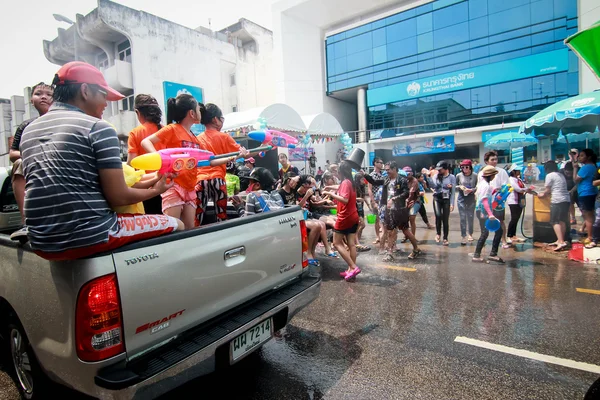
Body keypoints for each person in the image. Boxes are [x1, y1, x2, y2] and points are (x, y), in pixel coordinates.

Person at [20, 61, 183, 260]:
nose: (106, 103)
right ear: (85, 90)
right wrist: (158, 190)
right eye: (103, 96)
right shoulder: (97, 127)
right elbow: (119, 197)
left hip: (40, 242)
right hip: (91, 235)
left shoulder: (28, 131)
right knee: (177, 224)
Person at [142, 95, 221, 230]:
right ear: (191, 113)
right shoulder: (172, 128)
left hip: (190, 188)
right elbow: (145, 142)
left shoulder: (194, 137)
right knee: (172, 229)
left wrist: (232, 157)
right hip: (173, 185)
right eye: (198, 109)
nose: (200, 112)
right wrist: (160, 159)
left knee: (189, 229)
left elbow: (208, 161)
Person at [195, 103, 253, 226]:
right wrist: (262, 148)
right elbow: (245, 154)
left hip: (200, 180)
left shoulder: (197, 138)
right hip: (218, 180)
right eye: (222, 119)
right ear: (215, 119)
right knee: (221, 215)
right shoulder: (224, 137)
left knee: (197, 216)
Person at [9, 82, 53, 241]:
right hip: (32, 166)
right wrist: (31, 154)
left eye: (49, 95)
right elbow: (12, 153)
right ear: (31, 100)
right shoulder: (26, 126)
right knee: (18, 164)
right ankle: (26, 222)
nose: (44, 97)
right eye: (39, 93)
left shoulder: (62, 121)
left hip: (58, 165)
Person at [365, 162, 422, 261]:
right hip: (389, 210)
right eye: (386, 170)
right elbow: (374, 181)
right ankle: (390, 253)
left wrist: (394, 199)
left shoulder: (402, 180)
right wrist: (364, 174)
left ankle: (416, 249)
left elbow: (406, 193)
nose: (387, 172)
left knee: (405, 230)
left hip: (400, 210)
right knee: (390, 231)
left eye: (388, 170)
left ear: (395, 169)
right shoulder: (386, 179)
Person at [322, 160, 362, 281]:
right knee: (351, 244)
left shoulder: (345, 182)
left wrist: (330, 194)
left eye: (337, 172)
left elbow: (344, 199)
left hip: (345, 217)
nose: (336, 174)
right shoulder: (351, 182)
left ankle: (353, 267)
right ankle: (350, 270)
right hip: (353, 216)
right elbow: (340, 187)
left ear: (341, 172)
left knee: (336, 243)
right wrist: (330, 187)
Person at [126, 94, 165, 214]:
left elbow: (130, 164)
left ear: (138, 112)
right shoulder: (165, 130)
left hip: (147, 188)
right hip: (167, 184)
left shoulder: (135, 133)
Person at [478, 151, 510, 248]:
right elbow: (480, 189)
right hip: (486, 202)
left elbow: (506, 186)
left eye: (496, 159)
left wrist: (500, 191)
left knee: (500, 221)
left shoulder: (502, 171)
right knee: (484, 224)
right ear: (486, 161)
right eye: (492, 159)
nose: (495, 161)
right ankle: (482, 244)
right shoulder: (481, 173)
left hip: (498, 200)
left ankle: (503, 240)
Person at [472, 166, 503, 263]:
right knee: (490, 232)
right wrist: (490, 214)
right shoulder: (485, 185)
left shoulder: (483, 184)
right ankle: (479, 255)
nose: (494, 177)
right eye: (494, 175)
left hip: (481, 210)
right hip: (483, 211)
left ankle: (488, 254)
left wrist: (494, 191)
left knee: (489, 232)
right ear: (490, 176)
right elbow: (484, 199)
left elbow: (484, 195)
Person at [538, 160, 570, 251]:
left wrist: (542, 194)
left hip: (557, 200)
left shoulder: (549, 175)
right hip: (566, 200)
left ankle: (561, 242)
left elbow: (547, 190)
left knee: (554, 221)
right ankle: (560, 239)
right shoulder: (560, 175)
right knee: (562, 220)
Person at [574, 149, 599, 247]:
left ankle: (590, 237)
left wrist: (575, 168)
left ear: (588, 157)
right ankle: (592, 234)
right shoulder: (594, 167)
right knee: (591, 215)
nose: (580, 158)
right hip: (593, 192)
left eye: (582, 156)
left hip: (585, 193)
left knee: (588, 217)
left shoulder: (585, 168)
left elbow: (575, 179)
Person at [428, 161, 456, 246]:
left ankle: (445, 238)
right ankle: (438, 233)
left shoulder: (452, 177)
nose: (438, 171)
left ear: (445, 169)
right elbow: (433, 186)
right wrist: (429, 177)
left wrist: (452, 203)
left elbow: (453, 191)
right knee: (438, 215)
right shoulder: (436, 176)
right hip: (437, 197)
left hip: (446, 199)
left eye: (440, 169)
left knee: (445, 219)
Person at [506, 164, 532, 244]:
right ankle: (509, 236)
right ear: (513, 171)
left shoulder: (518, 179)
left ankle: (514, 236)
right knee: (514, 218)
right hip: (513, 201)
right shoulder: (511, 179)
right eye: (517, 170)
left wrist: (528, 189)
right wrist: (526, 189)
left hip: (520, 200)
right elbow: (517, 189)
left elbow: (523, 187)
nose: (519, 172)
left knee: (517, 218)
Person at [456, 159, 477, 245]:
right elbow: (454, 185)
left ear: (470, 167)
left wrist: (471, 190)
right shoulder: (459, 175)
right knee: (463, 217)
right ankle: (463, 236)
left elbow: (478, 186)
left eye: (467, 167)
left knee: (470, 216)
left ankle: (470, 234)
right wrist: (460, 187)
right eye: (462, 167)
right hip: (461, 197)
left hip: (471, 197)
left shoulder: (475, 175)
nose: (465, 169)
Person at [368, 157, 385, 244]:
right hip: (376, 200)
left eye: (382, 162)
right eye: (380, 162)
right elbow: (369, 189)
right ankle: (378, 236)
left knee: (383, 218)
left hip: (383, 199)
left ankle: (383, 236)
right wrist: (373, 201)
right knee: (377, 219)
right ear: (375, 163)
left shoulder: (383, 174)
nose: (381, 164)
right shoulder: (371, 175)